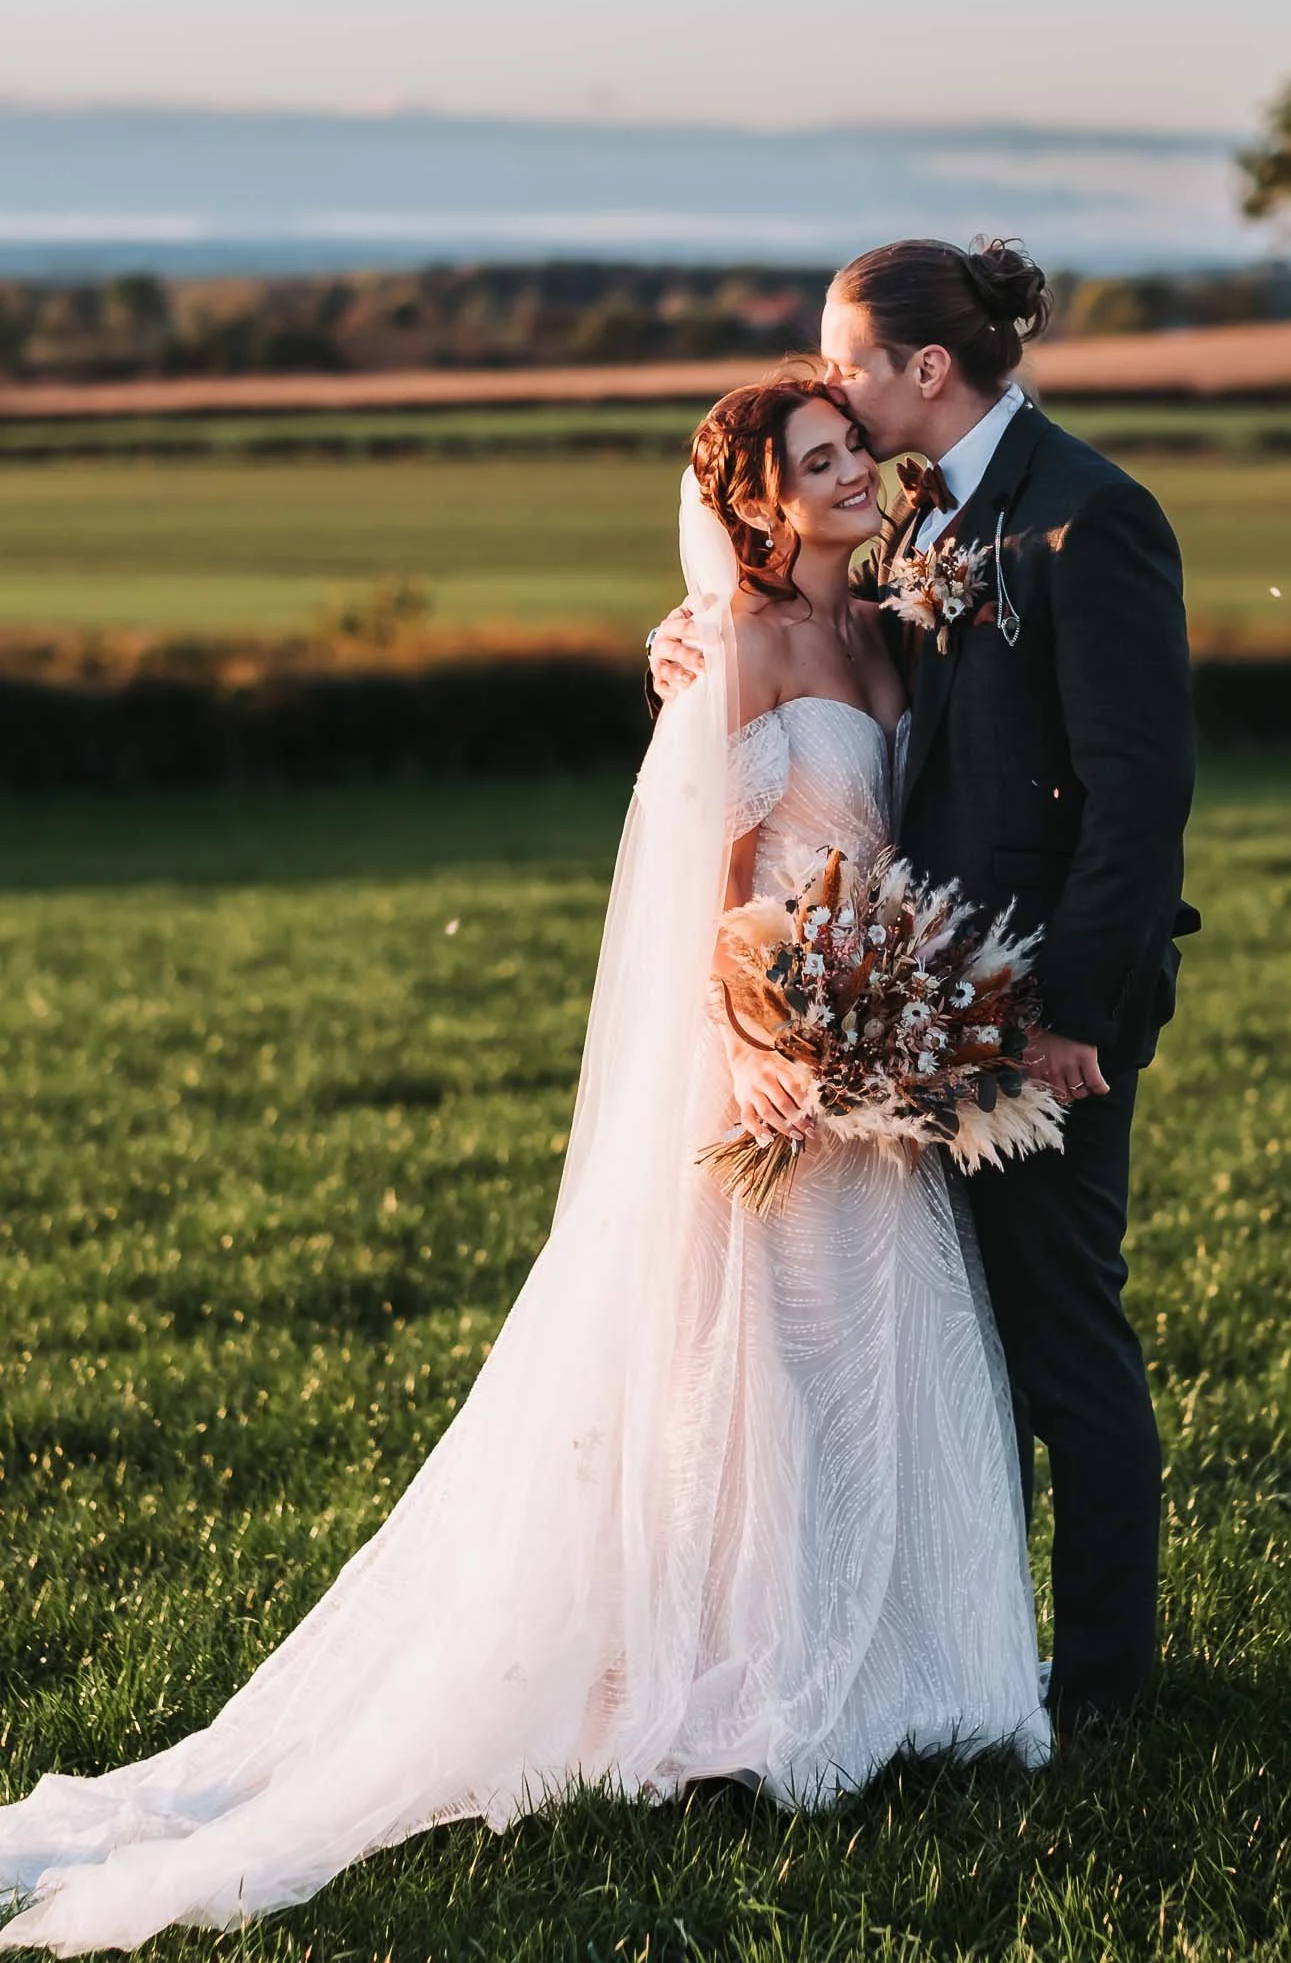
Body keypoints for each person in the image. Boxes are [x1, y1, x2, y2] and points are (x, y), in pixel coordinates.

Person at [0, 378, 1050, 1957]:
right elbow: (700, 892)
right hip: (770, 1079)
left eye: (851, 452)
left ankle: (902, 1672)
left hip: (873, 1084)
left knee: (874, 1372)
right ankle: (733, 1691)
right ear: (756, 510)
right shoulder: (744, 655)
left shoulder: (894, 632)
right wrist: (767, 1042)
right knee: (749, 1383)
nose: (849, 477)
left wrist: (889, 1026)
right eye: (815, 465)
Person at [648, 236, 1200, 1739]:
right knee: (941, 1357)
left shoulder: (1091, 521)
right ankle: (924, 1662)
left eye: (847, 367)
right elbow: (828, 670)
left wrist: (1076, 1013)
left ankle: (1098, 1696)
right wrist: (701, 636)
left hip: (1042, 1028)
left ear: (925, 371)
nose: (831, 389)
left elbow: (1140, 800)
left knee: (1064, 1344)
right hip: (913, 1025)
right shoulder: (913, 536)